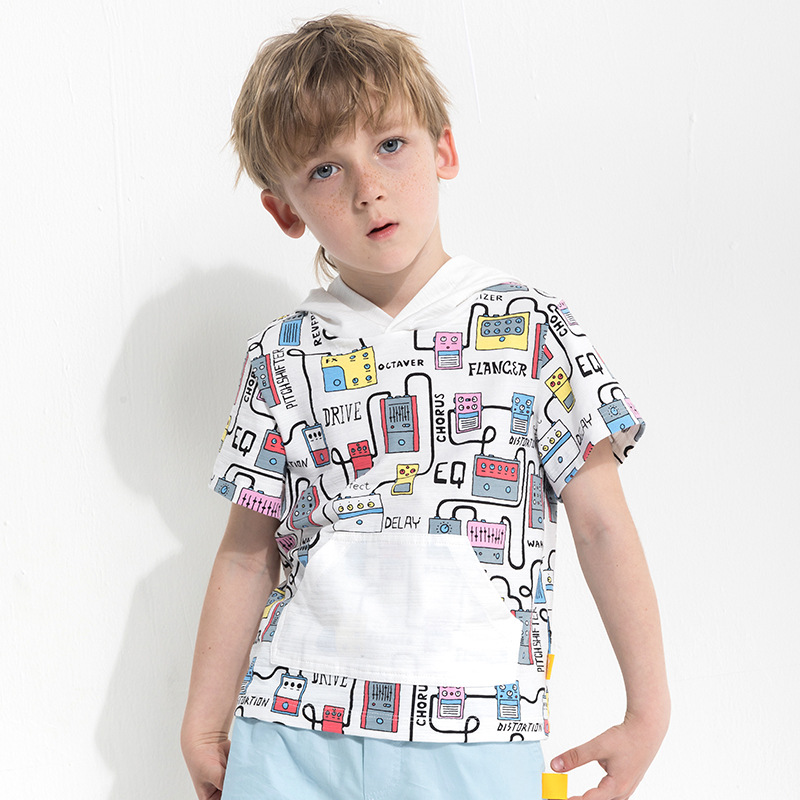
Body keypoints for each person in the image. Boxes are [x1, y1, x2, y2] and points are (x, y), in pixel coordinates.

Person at [181, 13, 670, 800]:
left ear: (443, 149)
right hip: (292, 733)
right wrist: (204, 720)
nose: (368, 188)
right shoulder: (281, 353)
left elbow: (603, 525)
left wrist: (648, 710)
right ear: (285, 210)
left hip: (477, 734)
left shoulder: (531, 329)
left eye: (390, 145)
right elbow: (246, 552)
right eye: (325, 170)